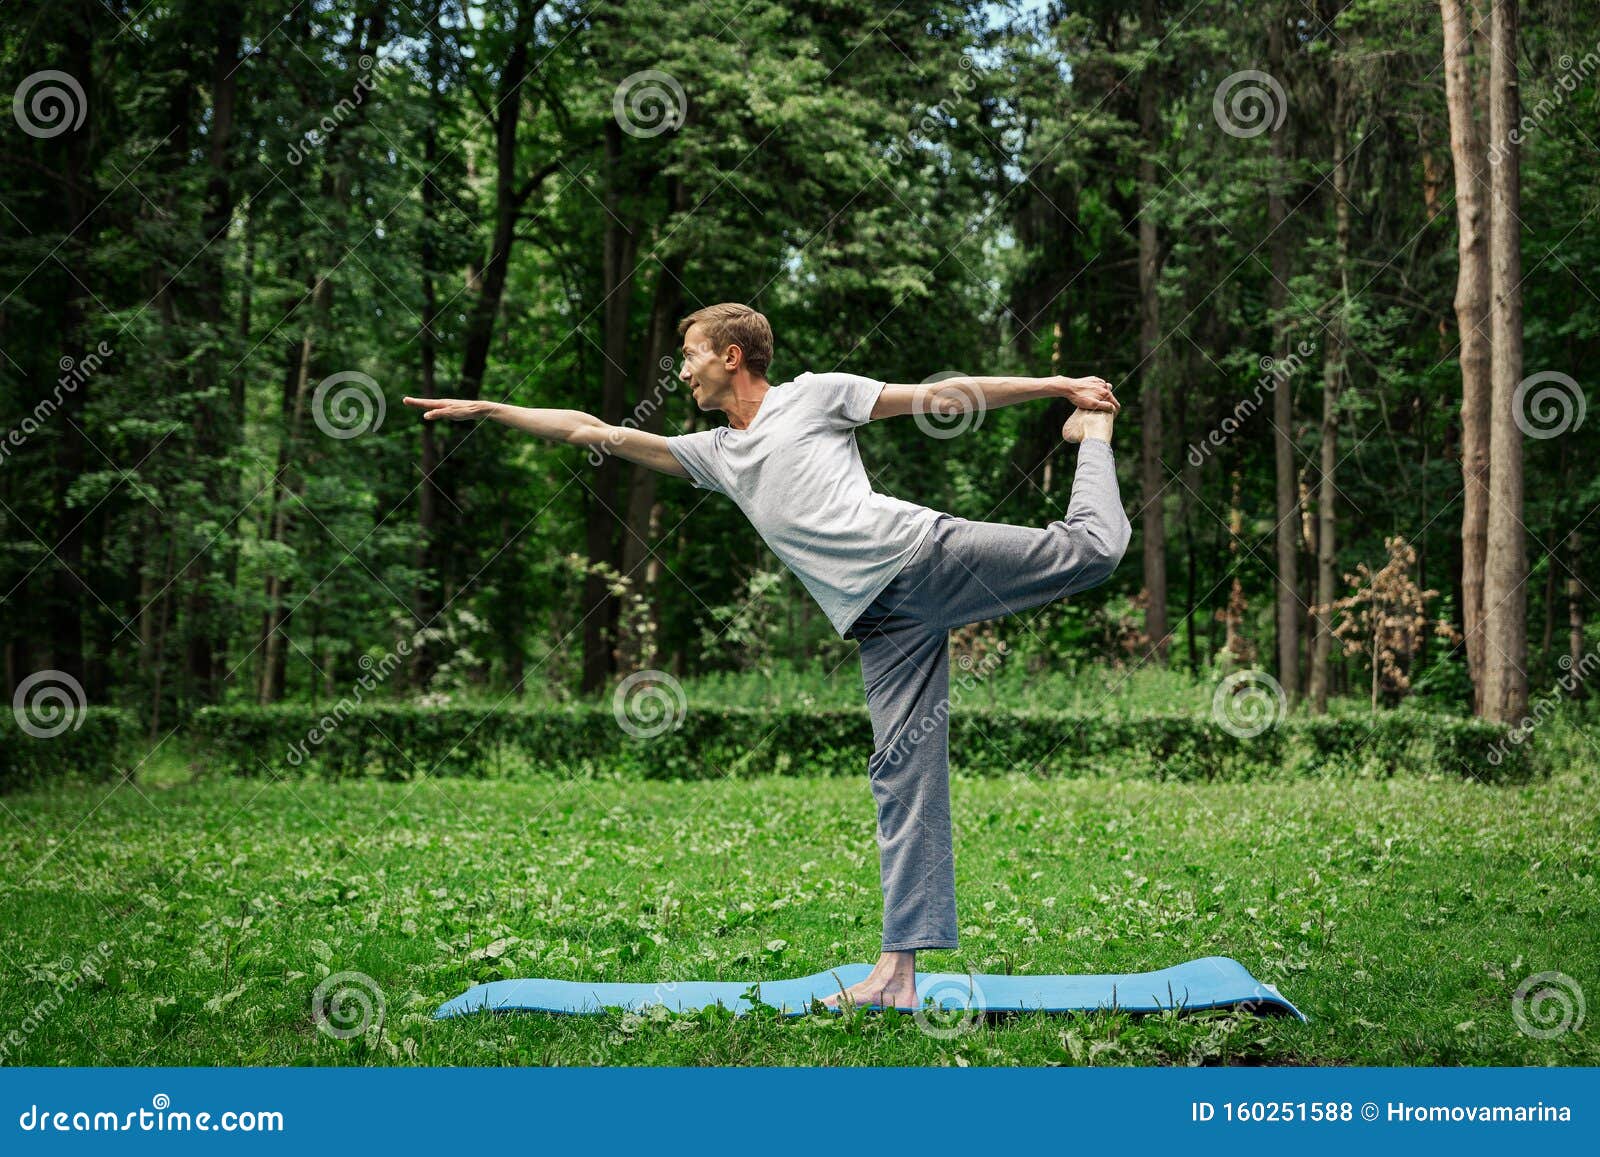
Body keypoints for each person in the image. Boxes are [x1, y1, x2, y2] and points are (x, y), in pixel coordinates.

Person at [402, 301, 1131, 1011]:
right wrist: (492, 409)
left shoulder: (814, 396)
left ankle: (1092, 436)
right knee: (901, 774)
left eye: (688, 355)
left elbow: (942, 396)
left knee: (1094, 549)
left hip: (919, 557)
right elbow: (590, 430)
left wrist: (1060, 389)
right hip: (878, 622)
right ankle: (897, 971)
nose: (681, 371)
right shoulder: (717, 455)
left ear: (731, 355)